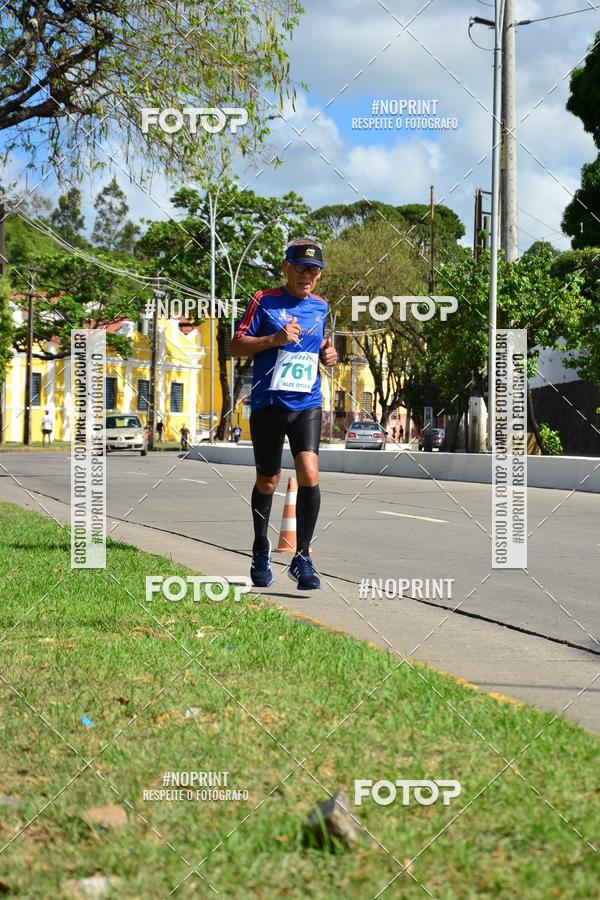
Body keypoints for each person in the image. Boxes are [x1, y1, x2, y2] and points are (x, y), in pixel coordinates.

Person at [230, 236, 338, 591]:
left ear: (319, 276)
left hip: (307, 401)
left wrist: (327, 352)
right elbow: (235, 345)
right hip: (268, 404)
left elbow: (318, 339)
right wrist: (273, 339)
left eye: (314, 270)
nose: (307, 274)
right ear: (286, 268)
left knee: (309, 469)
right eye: (301, 267)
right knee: (269, 481)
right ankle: (261, 549)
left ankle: (302, 557)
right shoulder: (264, 301)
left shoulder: (321, 307)